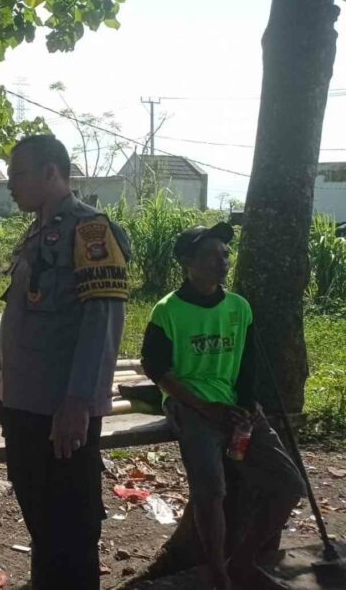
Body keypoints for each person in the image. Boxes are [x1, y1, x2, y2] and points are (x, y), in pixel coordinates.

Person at [0, 135, 131, 590]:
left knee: (71, 527)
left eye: (18, 174)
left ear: (51, 172)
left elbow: (101, 322)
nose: (10, 185)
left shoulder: (91, 232)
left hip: (60, 412)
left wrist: (79, 402)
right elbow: (22, 318)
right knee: (42, 524)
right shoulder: (36, 231)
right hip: (23, 405)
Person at [140, 222, 305, 590]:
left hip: (234, 407)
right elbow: (156, 368)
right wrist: (203, 406)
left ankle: (243, 559)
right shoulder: (168, 310)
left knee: (289, 484)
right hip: (190, 405)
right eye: (211, 255)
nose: (222, 261)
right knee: (211, 489)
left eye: (225, 254)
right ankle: (217, 569)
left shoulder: (238, 308)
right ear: (187, 262)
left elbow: (248, 365)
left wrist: (247, 406)